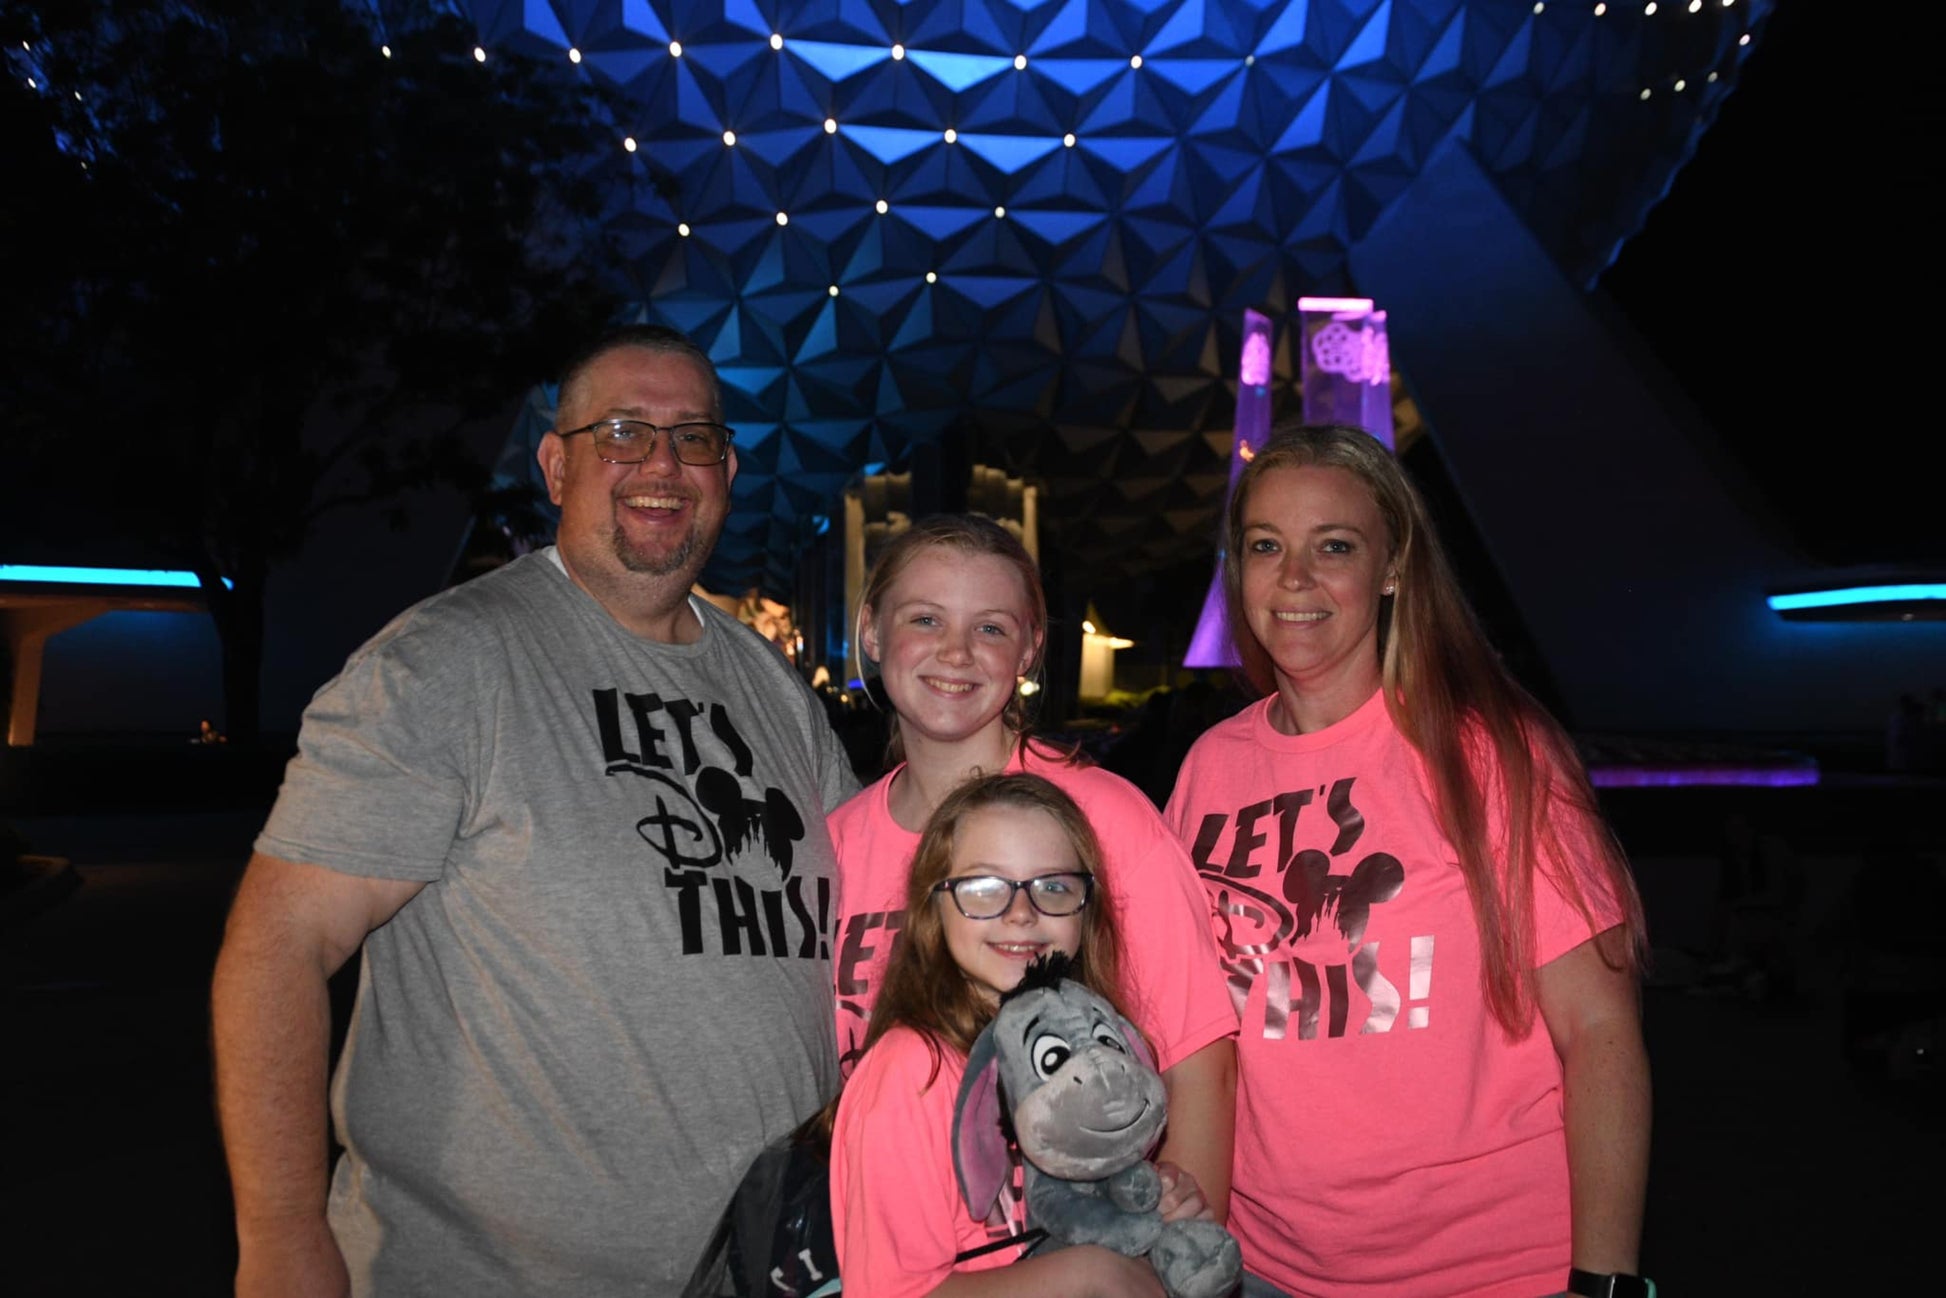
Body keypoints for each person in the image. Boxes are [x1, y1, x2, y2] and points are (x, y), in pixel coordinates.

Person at [210, 324, 859, 1297]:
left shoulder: (772, 687)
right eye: (623, 432)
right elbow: (278, 945)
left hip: (761, 1268)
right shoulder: (447, 662)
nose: (661, 464)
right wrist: (280, 1234)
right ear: (557, 466)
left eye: (692, 437)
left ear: (726, 471)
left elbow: (869, 915)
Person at [1164, 424, 1652, 1298]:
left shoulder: (1489, 753)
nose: (1295, 578)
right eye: (1266, 546)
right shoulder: (1210, 768)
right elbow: (1192, 1029)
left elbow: (1599, 1029)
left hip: (1488, 1269)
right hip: (1263, 1268)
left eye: (1334, 546)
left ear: (1392, 567)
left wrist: (1604, 1282)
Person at [829, 514, 1238, 1221]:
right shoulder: (833, 846)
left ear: (1029, 648)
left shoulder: (1101, 818)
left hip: (1077, 1246)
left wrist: (1180, 1257)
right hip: (903, 1249)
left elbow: (1200, 1064)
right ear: (872, 631)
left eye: (990, 628)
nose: (955, 652)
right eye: (925, 619)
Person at [830, 772, 1181, 1297]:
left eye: (1054, 886)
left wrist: (1161, 1203)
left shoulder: (1089, 1049)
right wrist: (1088, 1274)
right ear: (933, 905)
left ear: (1086, 909)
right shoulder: (913, 1073)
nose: (1021, 913)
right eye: (984, 887)